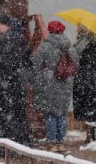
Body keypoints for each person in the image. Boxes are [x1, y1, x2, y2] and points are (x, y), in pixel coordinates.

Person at [0, 13, 32, 147]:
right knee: (18, 114)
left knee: (2, 115)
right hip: (16, 84)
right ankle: (20, 143)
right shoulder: (20, 39)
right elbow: (28, 63)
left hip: (1, 85)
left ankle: (4, 145)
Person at [32, 20, 79, 149]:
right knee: (61, 113)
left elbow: (35, 64)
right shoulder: (69, 46)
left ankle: (52, 141)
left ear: (50, 30)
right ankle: (61, 141)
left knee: (50, 112)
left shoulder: (45, 46)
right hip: (66, 82)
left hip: (49, 82)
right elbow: (76, 64)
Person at [72, 24, 96, 139]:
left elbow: (86, 60)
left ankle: (91, 134)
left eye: (78, 27)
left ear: (84, 30)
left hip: (85, 77)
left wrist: (77, 57)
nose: (76, 28)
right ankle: (91, 133)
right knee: (90, 105)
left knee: (89, 105)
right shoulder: (87, 43)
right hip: (88, 77)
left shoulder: (87, 44)